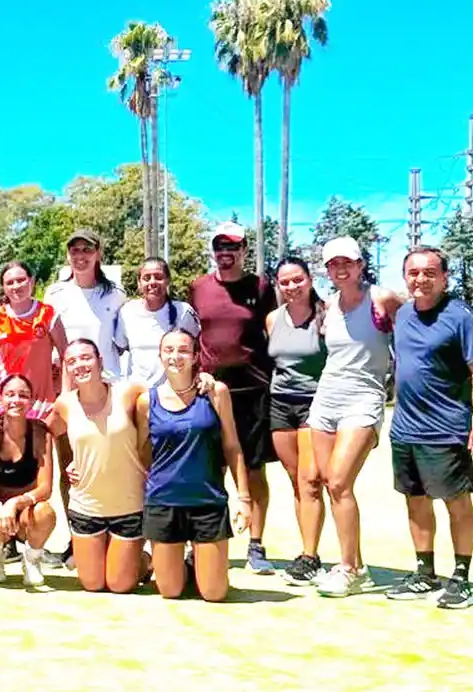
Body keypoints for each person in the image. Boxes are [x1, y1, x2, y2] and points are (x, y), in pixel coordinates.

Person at [384, 247, 473, 610]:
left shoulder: (461, 317)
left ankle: (461, 578)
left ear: (445, 277)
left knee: (457, 504)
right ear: (405, 277)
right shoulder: (402, 315)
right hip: (404, 430)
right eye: (413, 273)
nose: (421, 279)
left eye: (430, 273)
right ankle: (425, 573)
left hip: (445, 432)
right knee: (415, 502)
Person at [308, 238, 404, 598]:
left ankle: (348, 568)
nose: (341, 269)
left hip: (364, 398)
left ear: (361, 264)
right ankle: (356, 566)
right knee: (328, 483)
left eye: (347, 262)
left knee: (338, 482)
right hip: (325, 400)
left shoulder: (382, 299)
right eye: (333, 264)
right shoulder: (328, 306)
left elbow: (414, 332)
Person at [136, 329, 251, 603]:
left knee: (214, 593)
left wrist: (244, 499)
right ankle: (180, 565)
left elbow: (232, 447)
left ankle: (197, 562)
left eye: (184, 350)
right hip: (164, 503)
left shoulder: (216, 393)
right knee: (170, 591)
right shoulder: (146, 402)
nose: (176, 356)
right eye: (168, 350)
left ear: (196, 355)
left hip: (207, 503)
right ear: (160, 356)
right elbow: (142, 452)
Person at [189, 221, 277, 574]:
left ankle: (256, 545)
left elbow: (274, 330)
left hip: (253, 390)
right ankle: (208, 541)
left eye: (232, 247)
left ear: (244, 250)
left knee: (253, 470)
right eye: (220, 247)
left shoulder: (261, 287)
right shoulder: (198, 287)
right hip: (209, 390)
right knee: (211, 469)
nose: (225, 253)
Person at [44, 342, 148, 594]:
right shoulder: (64, 404)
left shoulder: (129, 392)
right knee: (92, 584)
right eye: (72, 362)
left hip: (129, 506)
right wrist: (71, 462)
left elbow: (170, 399)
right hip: (86, 507)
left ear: (100, 361)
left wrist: (203, 381)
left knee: (120, 585)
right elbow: (42, 434)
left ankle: (145, 561)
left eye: (86, 358)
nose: (79, 365)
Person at [265, 256, 329, 586]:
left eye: (297, 280)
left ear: (310, 279)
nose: (292, 286)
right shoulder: (273, 319)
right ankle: (307, 551)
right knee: (296, 481)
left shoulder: (328, 315)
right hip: (280, 405)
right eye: (285, 282)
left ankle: (310, 556)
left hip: (315, 405)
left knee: (310, 482)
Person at [0, 375, 56, 587]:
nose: (16, 400)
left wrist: (16, 503)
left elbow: (45, 488)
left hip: (27, 513)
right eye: (10, 394)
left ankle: (32, 559)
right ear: (0, 399)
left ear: (32, 401)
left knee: (45, 512)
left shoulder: (40, 434)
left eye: (23, 395)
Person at [0, 260, 66, 420]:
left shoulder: (47, 314)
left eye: (21, 280)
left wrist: (64, 391)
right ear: (3, 287)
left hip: (40, 400)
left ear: (32, 281)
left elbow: (66, 355)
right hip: (6, 400)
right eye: (9, 282)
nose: (16, 286)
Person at [43, 230, 126, 377]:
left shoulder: (115, 293)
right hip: (69, 378)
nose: (80, 256)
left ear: (98, 254)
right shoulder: (54, 294)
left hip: (107, 377)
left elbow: (121, 342)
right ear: (68, 255)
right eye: (75, 250)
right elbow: (48, 339)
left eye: (87, 250)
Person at [114, 258, 200, 387]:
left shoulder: (183, 311)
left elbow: (198, 348)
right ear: (139, 283)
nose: (152, 282)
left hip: (174, 392)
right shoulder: (127, 312)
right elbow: (119, 348)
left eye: (159, 277)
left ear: (168, 280)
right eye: (146, 278)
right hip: (138, 392)